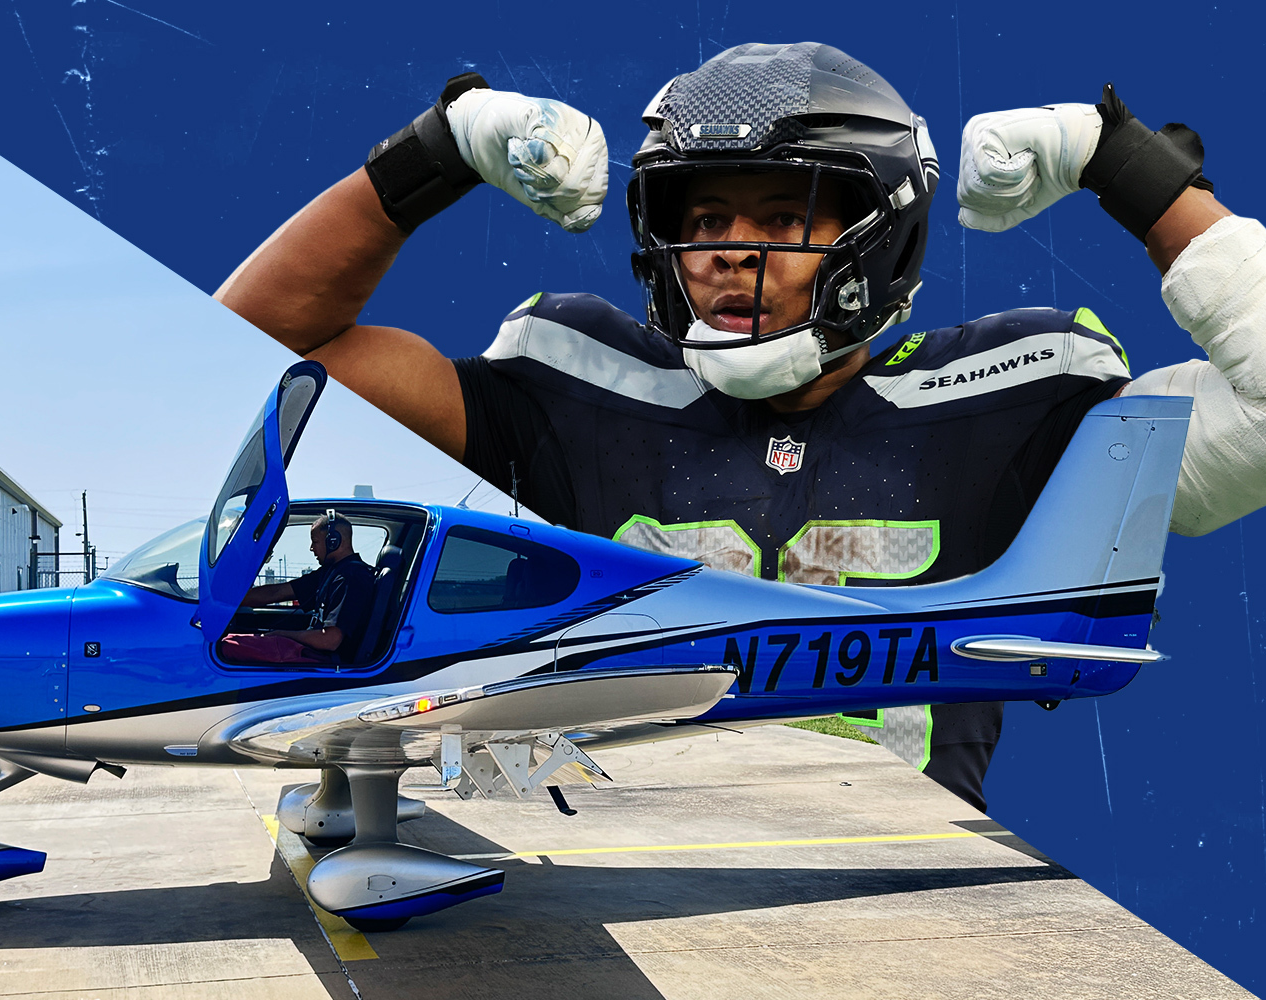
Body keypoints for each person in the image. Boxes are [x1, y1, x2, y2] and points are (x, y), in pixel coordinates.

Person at [214, 44, 1266, 811]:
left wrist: (1122, 163)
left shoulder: (1009, 398)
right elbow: (245, 363)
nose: (727, 250)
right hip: (594, 895)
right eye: (704, 219)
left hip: (904, 916)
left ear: (878, 231)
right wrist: (436, 151)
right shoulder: (575, 378)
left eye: (781, 215)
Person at [219, 512, 376, 665]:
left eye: (315, 541)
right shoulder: (331, 572)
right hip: (315, 652)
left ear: (332, 541)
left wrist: (282, 634)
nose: (311, 548)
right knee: (232, 641)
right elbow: (276, 593)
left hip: (325, 659)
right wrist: (225, 599)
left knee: (226, 647)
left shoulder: (351, 578)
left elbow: (330, 640)